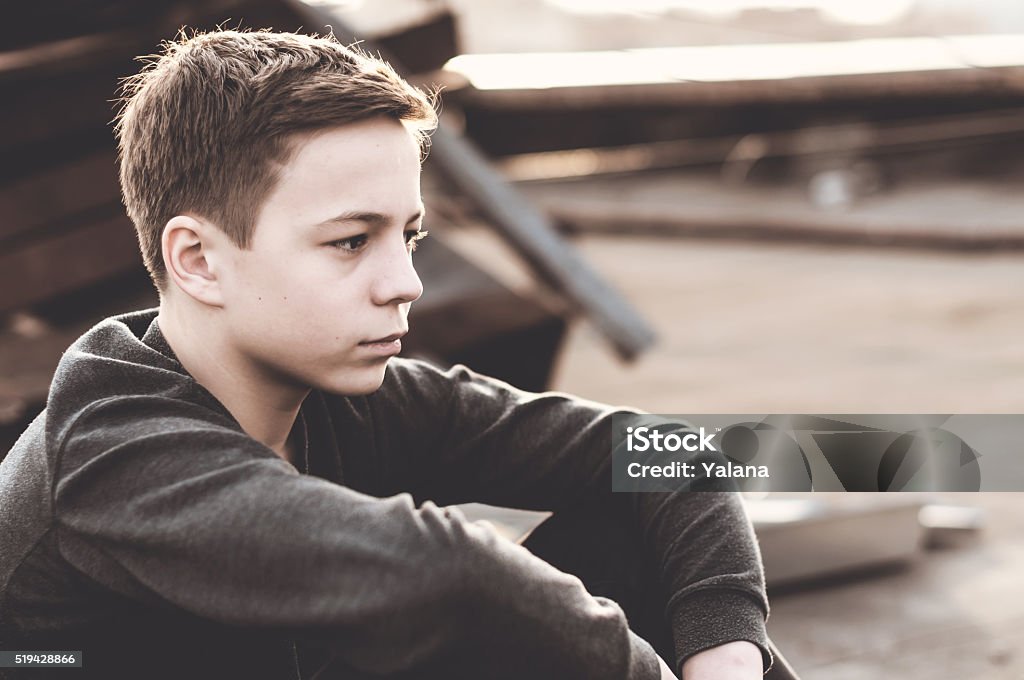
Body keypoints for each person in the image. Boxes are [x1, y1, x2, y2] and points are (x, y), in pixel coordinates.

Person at [0, 30, 777, 679]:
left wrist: (727, 652)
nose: (405, 284)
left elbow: (673, 454)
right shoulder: (115, 451)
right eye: (350, 241)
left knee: (627, 516)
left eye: (407, 235)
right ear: (199, 260)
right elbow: (451, 579)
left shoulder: (352, 398)